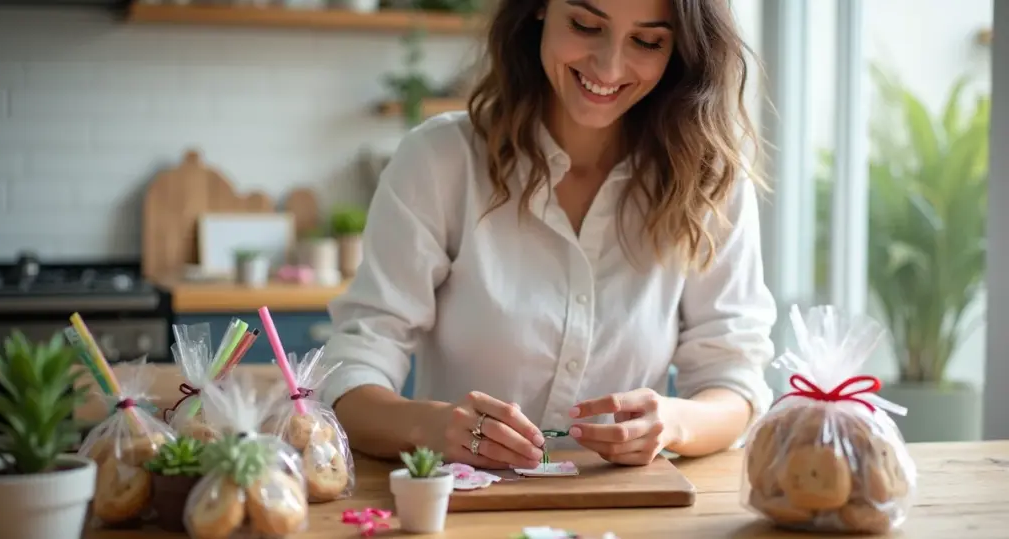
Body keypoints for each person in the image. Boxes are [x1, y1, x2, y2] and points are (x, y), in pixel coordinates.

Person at [319, 0, 777, 471]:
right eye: (585, 25)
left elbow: (734, 379)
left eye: (647, 41)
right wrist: (431, 427)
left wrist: (674, 423)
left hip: (627, 504)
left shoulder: (707, 180)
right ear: (539, 8)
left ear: (680, 48)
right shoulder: (440, 161)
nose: (609, 67)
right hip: (463, 502)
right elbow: (353, 372)